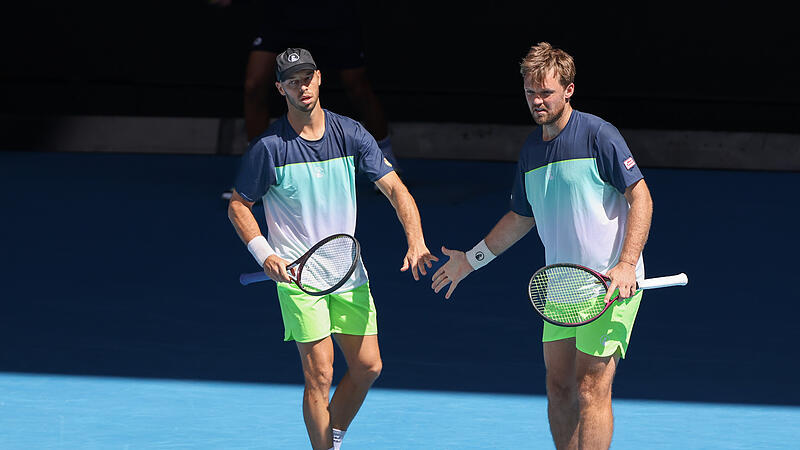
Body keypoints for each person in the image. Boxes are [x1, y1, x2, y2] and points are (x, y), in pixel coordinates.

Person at [430, 42, 653, 450]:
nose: (537, 101)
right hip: (562, 286)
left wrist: (627, 263)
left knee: (590, 388)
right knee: (559, 388)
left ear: (568, 90)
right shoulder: (531, 151)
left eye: (546, 92)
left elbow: (641, 197)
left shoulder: (599, 135)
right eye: (531, 92)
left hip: (609, 285)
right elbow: (520, 217)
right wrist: (471, 260)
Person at [227, 48, 437, 450]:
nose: (302, 86)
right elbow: (239, 205)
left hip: (346, 270)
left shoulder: (351, 133)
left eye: (307, 77)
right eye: (292, 80)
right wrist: (265, 253)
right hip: (298, 279)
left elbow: (394, 187)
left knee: (367, 367)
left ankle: (331, 435)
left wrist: (416, 239)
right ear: (280, 88)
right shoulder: (269, 147)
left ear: (320, 78)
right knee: (320, 374)